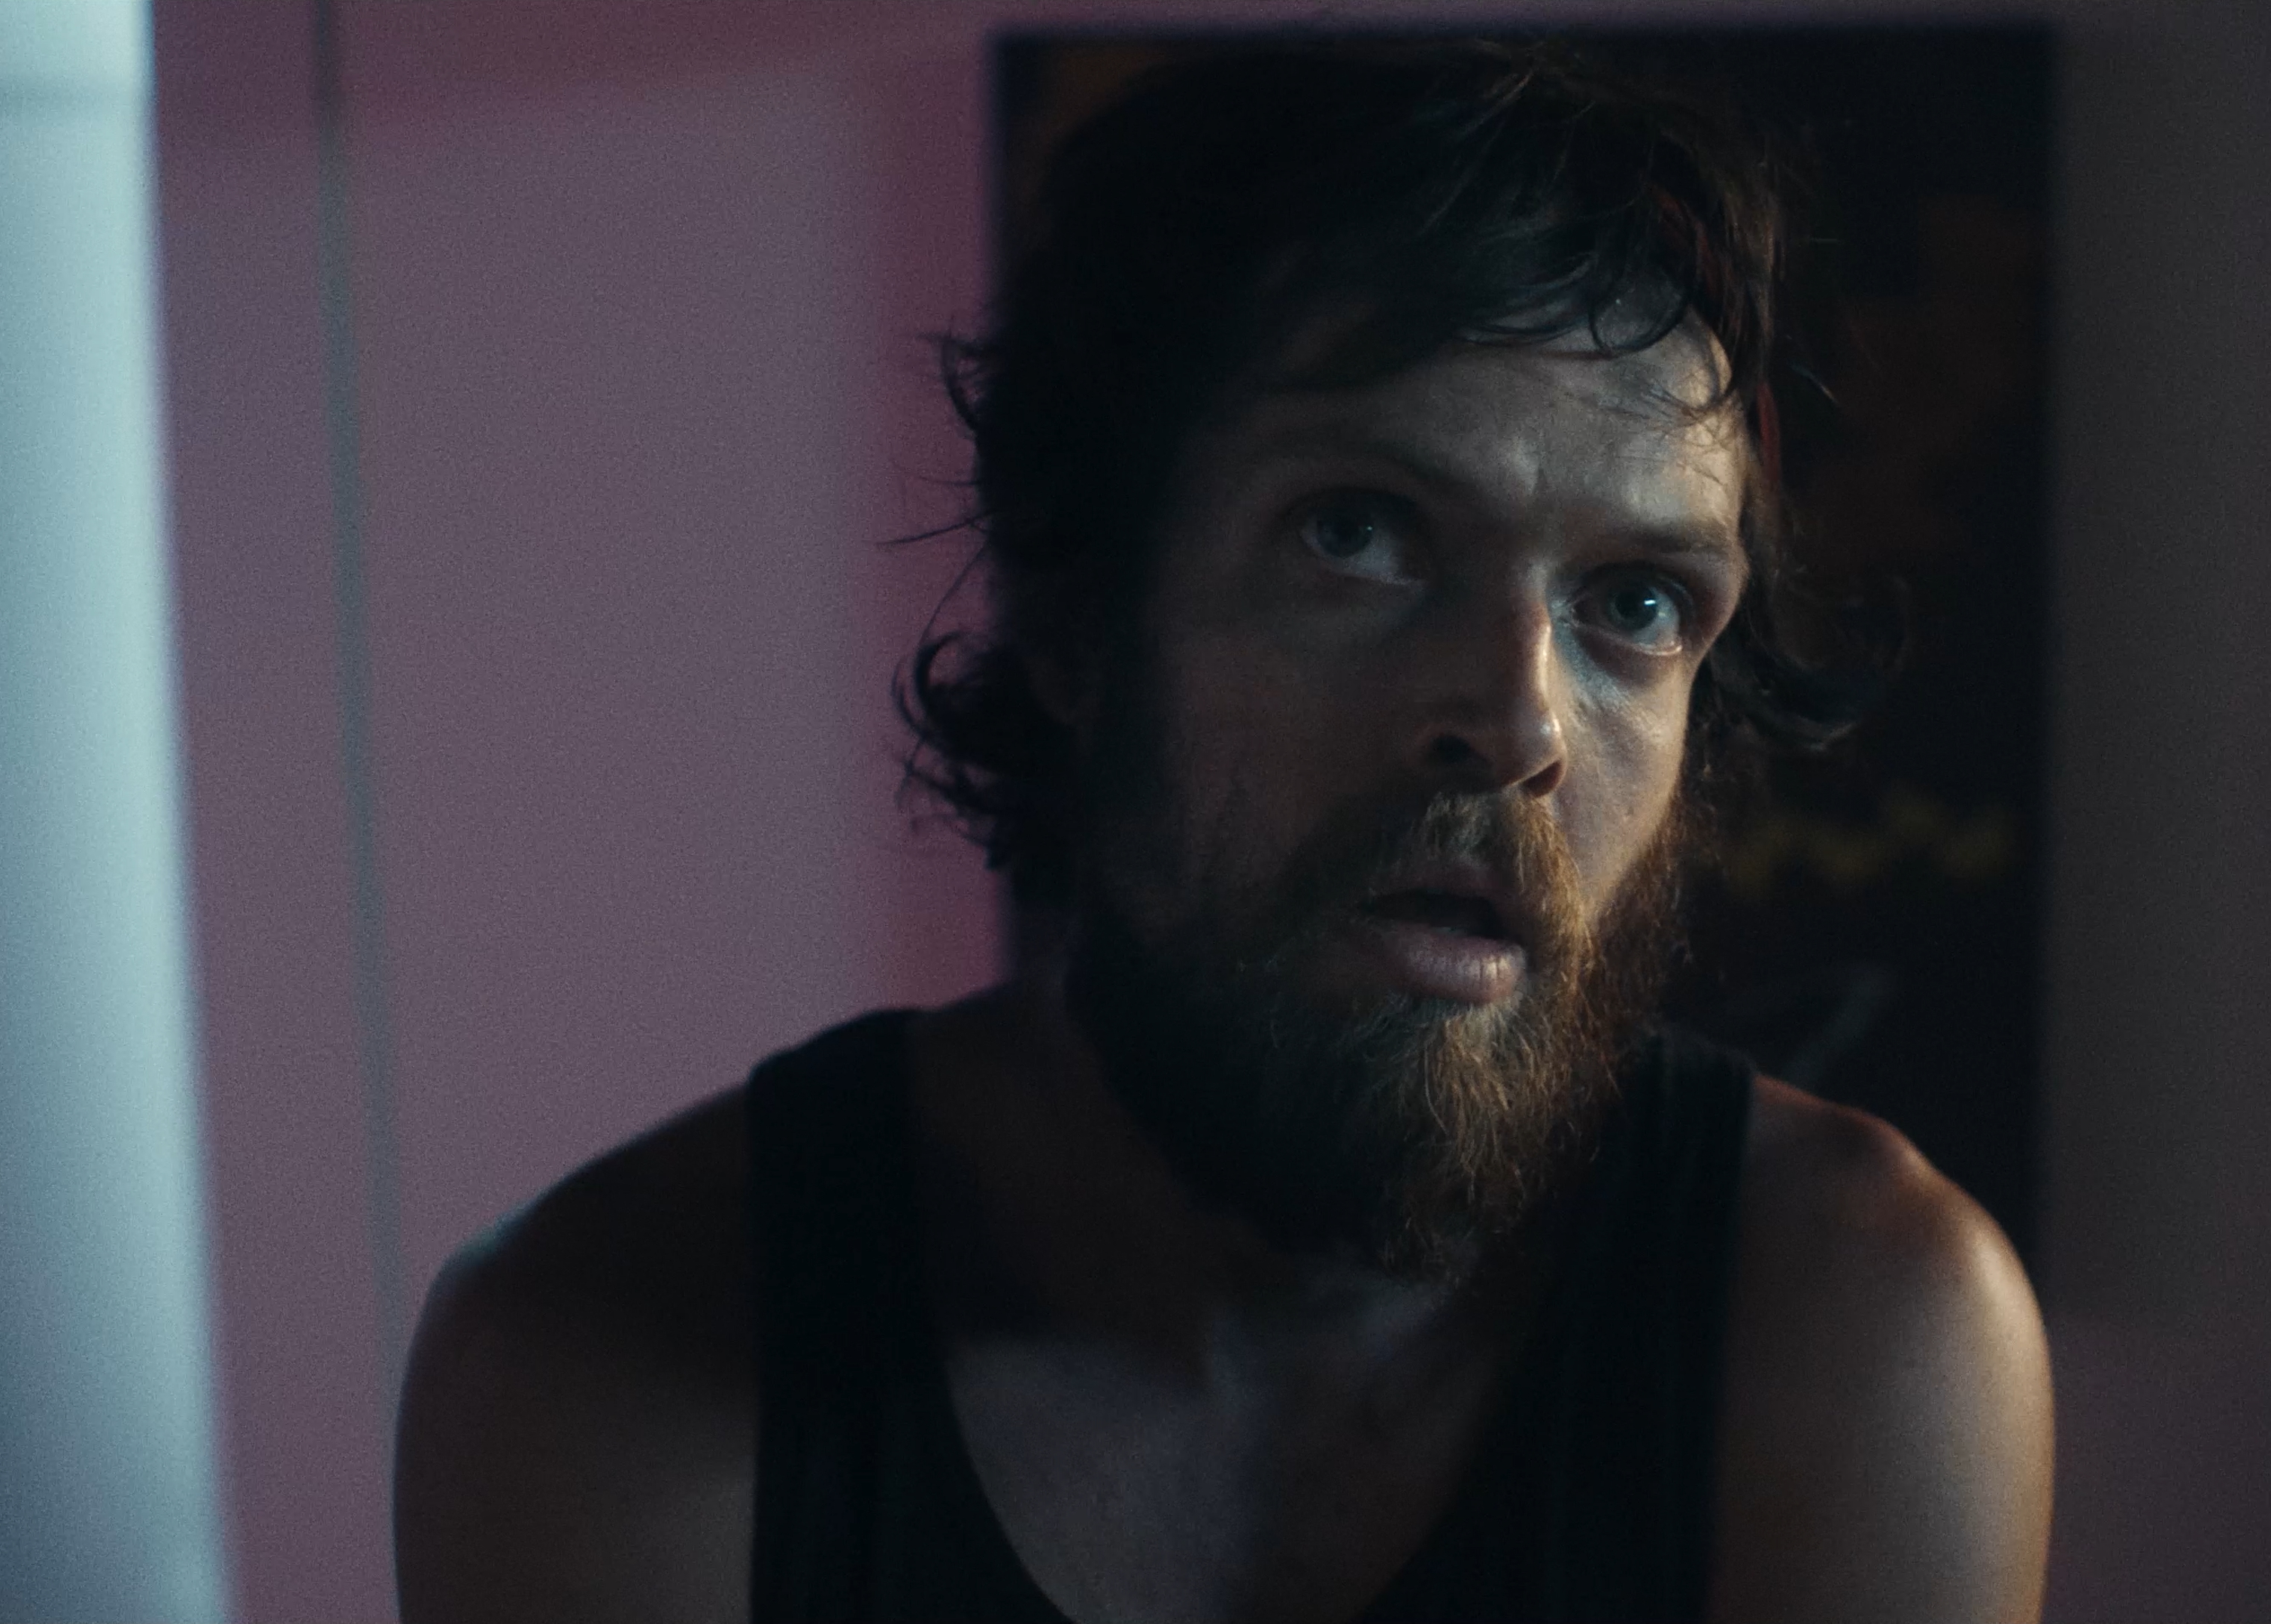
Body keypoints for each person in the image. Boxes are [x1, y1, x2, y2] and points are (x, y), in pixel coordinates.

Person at [393, 41, 2052, 1624]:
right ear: (1079, 617)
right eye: (1358, 534)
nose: (1519, 721)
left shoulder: (1848, 1320)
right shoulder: (616, 1345)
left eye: (1634, 603)